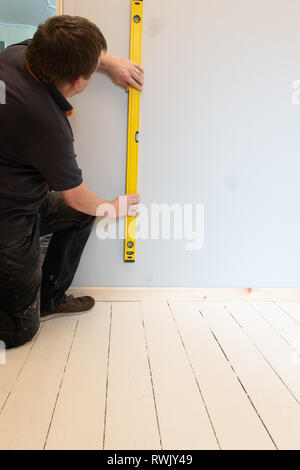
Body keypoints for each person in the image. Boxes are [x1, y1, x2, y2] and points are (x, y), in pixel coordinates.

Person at [0, 15, 143, 349]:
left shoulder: (15, 57)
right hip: (9, 226)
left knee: (81, 217)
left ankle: (50, 297)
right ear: (79, 82)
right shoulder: (47, 123)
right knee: (20, 332)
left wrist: (110, 64)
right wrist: (113, 207)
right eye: (94, 70)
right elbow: (77, 197)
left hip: (20, 198)